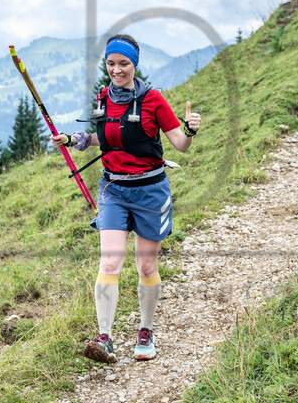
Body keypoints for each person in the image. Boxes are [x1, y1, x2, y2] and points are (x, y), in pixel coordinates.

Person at [52, 34, 201, 364]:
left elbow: (179, 143)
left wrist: (190, 130)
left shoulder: (153, 100)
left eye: (123, 64)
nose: (117, 70)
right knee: (109, 262)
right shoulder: (103, 97)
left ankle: (145, 330)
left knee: (146, 264)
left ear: (135, 64)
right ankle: (104, 337)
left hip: (149, 190)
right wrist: (72, 138)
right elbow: (105, 137)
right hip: (114, 190)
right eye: (111, 63)